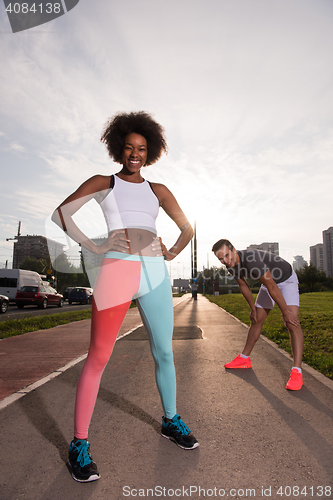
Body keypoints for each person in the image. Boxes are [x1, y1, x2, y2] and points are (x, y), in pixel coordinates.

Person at [52, 111, 199, 483]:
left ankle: (170, 420)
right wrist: (95, 245)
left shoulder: (158, 190)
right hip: (116, 270)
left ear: (150, 152)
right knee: (99, 356)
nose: (135, 154)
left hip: (154, 272)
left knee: (164, 351)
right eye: (130, 148)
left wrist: (174, 251)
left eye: (143, 149)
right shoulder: (104, 182)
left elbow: (187, 226)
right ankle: (79, 445)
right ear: (119, 148)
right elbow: (62, 213)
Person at [212, 239, 304, 391]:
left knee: (292, 322)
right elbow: (244, 286)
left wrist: (286, 312)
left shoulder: (251, 260)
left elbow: (273, 286)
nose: (226, 261)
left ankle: (297, 372)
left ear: (234, 249)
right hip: (269, 283)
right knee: (256, 320)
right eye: (221, 259)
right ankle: (244, 359)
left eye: (227, 256)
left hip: (285, 280)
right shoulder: (232, 265)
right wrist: (253, 308)